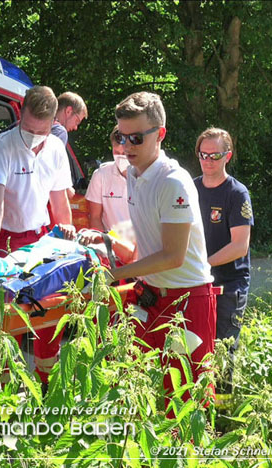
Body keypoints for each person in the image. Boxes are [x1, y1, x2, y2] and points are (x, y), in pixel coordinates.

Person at [80, 92, 217, 400]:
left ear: (160, 135)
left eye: (136, 139)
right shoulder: (132, 173)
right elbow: (143, 237)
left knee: (183, 401)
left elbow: (172, 255)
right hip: (149, 296)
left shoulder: (173, 182)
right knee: (135, 388)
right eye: (121, 137)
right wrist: (106, 244)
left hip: (186, 301)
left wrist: (115, 275)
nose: (126, 147)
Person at [0, 85, 72, 386]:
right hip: (8, 240)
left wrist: (67, 245)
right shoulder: (3, 146)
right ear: (20, 113)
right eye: (29, 128)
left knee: (49, 316)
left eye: (42, 131)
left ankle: (48, 388)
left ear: (52, 124)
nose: (34, 136)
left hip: (43, 239)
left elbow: (60, 201)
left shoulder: (56, 148)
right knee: (2, 319)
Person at [193, 128, 253, 393]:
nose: (208, 160)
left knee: (223, 350)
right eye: (203, 154)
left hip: (229, 285)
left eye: (214, 155)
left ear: (227, 156)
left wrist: (204, 263)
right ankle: (196, 408)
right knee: (193, 346)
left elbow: (240, 246)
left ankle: (222, 419)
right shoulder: (190, 188)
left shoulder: (237, 194)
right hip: (195, 281)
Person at [85, 125, 131, 232]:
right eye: (116, 152)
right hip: (111, 241)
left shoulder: (148, 176)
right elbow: (95, 218)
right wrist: (104, 243)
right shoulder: (100, 175)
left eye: (124, 153)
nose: (120, 157)